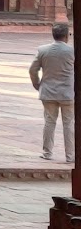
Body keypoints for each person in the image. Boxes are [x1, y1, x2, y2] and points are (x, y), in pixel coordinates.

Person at [30, 23, 75, 163]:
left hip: (48, 92)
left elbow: (32, 70)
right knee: (68, 124)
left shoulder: (43, 50)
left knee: (49, 122)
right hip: (68, 92)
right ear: (67, 36)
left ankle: (47, 152)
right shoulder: (72, 51)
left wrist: (37, 84)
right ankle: (70, 156)